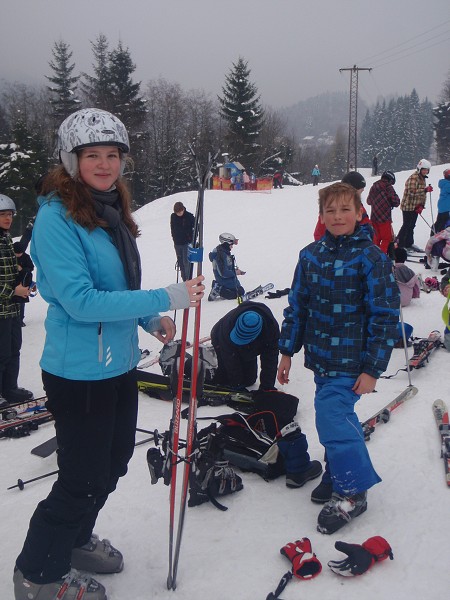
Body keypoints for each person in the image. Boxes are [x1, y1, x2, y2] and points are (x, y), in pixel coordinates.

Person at [13, 108, 204, 600]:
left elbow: (117, 286)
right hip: (78, 372)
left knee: (115, 461)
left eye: (112, 154)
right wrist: (167, 297)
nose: (104, 163)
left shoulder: (111, 210)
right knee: (81, 477)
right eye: (92, 155)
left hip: (117, 364)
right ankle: (38, 573)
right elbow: (80, 300)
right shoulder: (57, 218)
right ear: (71, 160)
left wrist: (147, 319)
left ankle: (73, 541)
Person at [277, 182, 399, 535]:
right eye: (330, 210)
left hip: (352, 360)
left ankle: (352, 489)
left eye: (345, 209)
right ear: (321, 216)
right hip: (321, 357)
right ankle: (334, 471)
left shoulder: (372, 258)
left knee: (332, 414)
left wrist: (373, 368)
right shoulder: (310, 255)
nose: (338, 216)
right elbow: (297, 306)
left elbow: (385, 316)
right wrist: (286, 351)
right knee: (333, 416)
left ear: (360, 213)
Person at [210, 301, 322, 487]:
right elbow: (231, 360)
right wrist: (237, 386)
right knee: (234, 377)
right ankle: (207, 368)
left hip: (252, 344)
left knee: (251, 377)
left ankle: (243, 373)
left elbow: (269, 359)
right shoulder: (227, 328)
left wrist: (267, 387)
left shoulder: (270, 330)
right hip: (223, 342)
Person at [0, 195, 33, 408]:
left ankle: (9, 388)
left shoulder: (5, 239)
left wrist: (24, 275)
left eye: (10, 214)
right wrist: (13, 292)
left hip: (11, 309)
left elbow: (10, 272)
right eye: (3, 215)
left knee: (13, 349)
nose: (8, 218)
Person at [313, 171, 373, 241]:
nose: (337, 216)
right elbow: (319, 234)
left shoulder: (358, 208)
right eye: (359, 192)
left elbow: (368, 230)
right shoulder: (331, 211)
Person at [396, 158, 433, 252]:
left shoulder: (422, 178)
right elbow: (411, 192)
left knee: (412, 225)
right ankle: (400, 244)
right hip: (408, 206)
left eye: (427, 170)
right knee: (406, 225)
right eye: (424, 169)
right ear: (419, 169)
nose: (425, 172)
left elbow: (421, 195)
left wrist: (421, 205)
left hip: (415, 207)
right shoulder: (414, 177)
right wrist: (425, 190)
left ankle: (409, 243)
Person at [366, 170, 400, 253]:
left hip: (374, 217)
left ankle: (374, 255)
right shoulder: (388, 187)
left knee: (376, 238)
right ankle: (382, 257)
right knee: (387, 238)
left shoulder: (374, 186)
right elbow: (396, 202)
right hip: (384, 218)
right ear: (390, 180)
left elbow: (368, 201)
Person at [208, 232, 245, 301]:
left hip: (230, 282)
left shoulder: (225, 252)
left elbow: (228, 267)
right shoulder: (220, 255)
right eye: (231, 244)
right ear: (226, 243)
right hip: (224, 282)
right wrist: (235, 272)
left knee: (240, 290)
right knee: (236, 294)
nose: (232, 246)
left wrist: (235, 271)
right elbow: (223, 273)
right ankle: (218, 289)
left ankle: (221, 289)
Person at [170, 201, 195, 281]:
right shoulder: (173, 216)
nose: (179, 214)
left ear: (183, 209)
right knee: (180, 262)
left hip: (186, 243)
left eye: (180, 212)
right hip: (177, 243)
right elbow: (172, 228)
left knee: (186, 262)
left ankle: (188, 278)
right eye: (177, 212)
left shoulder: (189, 216)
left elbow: (195, 228)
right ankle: (184, 279)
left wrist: (191, 239)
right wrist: (174, 238)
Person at [13, 241, 35, 326]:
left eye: (20, 253)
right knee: (13, 301)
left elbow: (31, 268)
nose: (18, 255)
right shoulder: (11, 257)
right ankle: (14, 319)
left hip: (24, 282)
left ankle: (20, 319)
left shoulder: (26, 257)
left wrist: (22, 269)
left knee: (21, 302)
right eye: (16, 253)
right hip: (14, 283)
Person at [433, 168, 450, 233]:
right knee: (445, 223)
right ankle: (440, 236)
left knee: (440, 221)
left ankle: (435, 233)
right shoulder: (448, 184)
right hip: (446, 207)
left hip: (443, 207)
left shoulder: (445, 183)